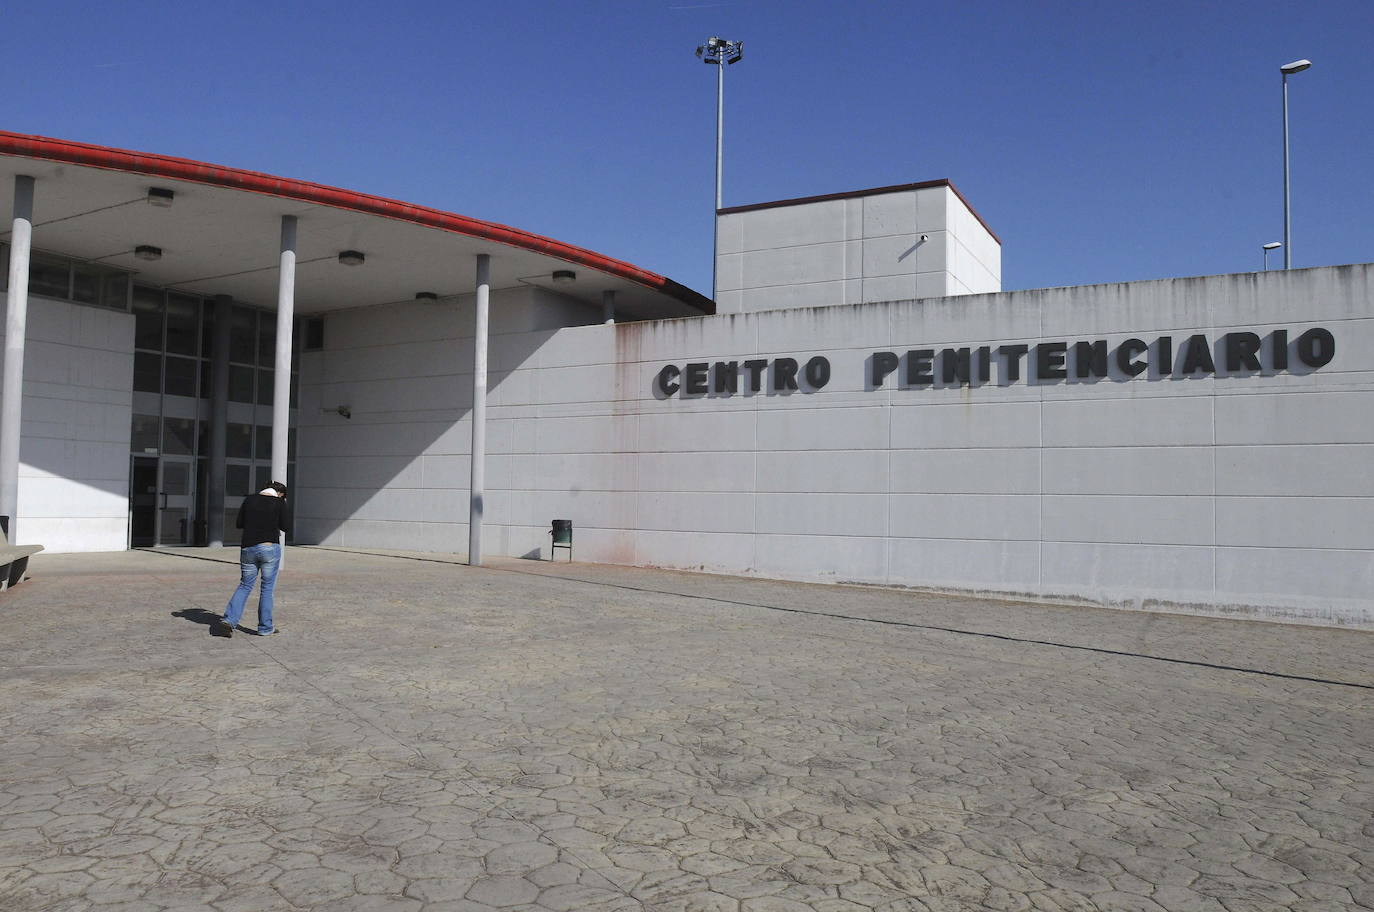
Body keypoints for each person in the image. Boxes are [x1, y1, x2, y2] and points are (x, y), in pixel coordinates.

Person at [216, 482, 290, 637]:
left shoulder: (249, 500)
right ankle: (265, 627)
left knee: (245, 585)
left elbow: (239, 523)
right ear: (280, 494)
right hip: (269, 547)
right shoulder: (278, 502)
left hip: (248, 547)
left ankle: (229, 620)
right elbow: (286, 526)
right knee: (267, 588)